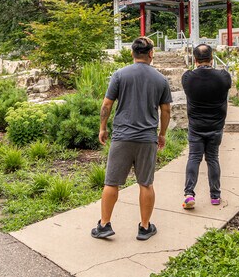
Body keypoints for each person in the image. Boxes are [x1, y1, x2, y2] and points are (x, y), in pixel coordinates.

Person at [91, 36, 172, 241]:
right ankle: (145, 228)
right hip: (147, 139)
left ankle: (104, 225)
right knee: (146, 183)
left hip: (122, 137)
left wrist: (102, 128)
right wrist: (162, 134)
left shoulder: (119, 75)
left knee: (111, 183)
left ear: (132, 53)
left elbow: (107, 105)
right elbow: (166, 110)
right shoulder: (160, 79)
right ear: (151, 53)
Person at [181, 43, 231, 209]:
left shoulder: (188, 78)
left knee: (194, 157)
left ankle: (189, 194)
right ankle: (215, 196)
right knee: (213, 158)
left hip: (195, 126)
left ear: (195, 60)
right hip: (216, 126)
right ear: (211, 58)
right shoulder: (224, 77)